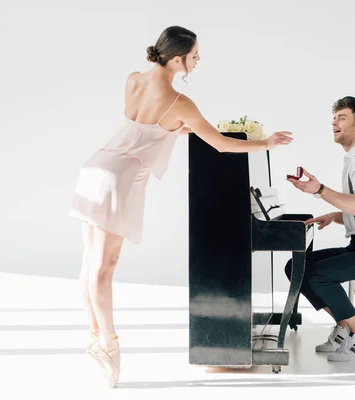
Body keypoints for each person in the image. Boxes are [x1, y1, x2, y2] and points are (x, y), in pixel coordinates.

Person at [67, 26, 293, 387]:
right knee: (104, 268)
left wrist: (179, 129)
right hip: (119, 180)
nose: (198, 60)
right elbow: (221, 145)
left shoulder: (133, 80)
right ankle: (110, 347)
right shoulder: (179, 102)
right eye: (195, 55)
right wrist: (265, 143)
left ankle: (95, 337)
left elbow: (141, 126)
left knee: (89, 264)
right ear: (177, 59)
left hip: (95, 168)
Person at [285, 96, 355, 362]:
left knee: (320, 275)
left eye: (342, 118)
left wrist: (320, 190)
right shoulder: (354, 159)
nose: (334, 123)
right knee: (296, 268)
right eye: (334, 118)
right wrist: (335, 216)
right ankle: (344, 326)